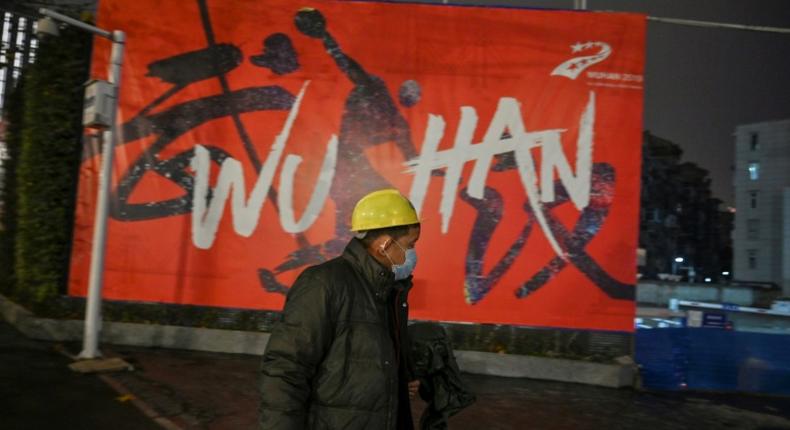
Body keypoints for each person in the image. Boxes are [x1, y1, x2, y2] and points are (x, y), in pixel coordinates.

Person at [259, 189, 422, 429]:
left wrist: (396, 382)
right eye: (411, 245)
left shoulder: (391, 290)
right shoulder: (323, 284)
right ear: (385, 244)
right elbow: (285, 369)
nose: (413, 254)